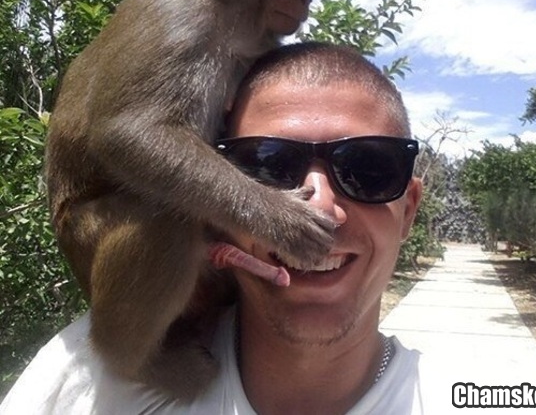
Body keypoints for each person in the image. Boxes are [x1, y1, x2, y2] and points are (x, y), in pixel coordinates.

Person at [0, 41, 425, 414]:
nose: (322, 209)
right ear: (208, 203)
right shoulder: (82, 386)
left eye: (368, 168)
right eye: (267, 165)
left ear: (408, 210)